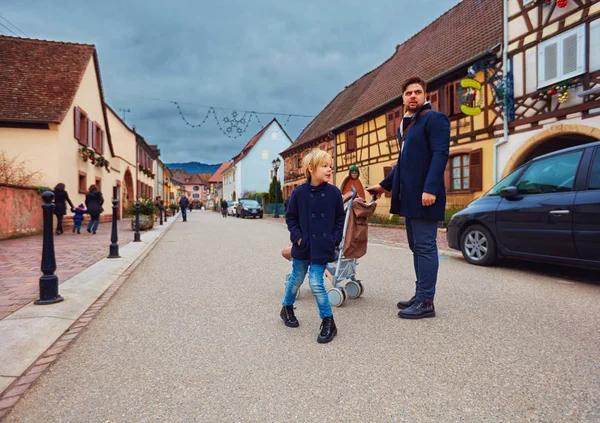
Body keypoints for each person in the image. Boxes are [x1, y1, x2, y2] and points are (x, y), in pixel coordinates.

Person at [366, 76, 450, 319]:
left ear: (425, 96)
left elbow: (440, 154)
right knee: (416, 247)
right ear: (402, 98)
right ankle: (420, 293)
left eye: (417, 92)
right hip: (411, 198)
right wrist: (383, 186)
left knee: (425, 247)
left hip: (426, 196)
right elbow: (402, 165)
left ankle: (426, 302)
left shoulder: (435, 119)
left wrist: (431, 189)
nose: (413, 96)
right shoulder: (404, 126)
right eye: (408, 93)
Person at [281, 149, 345, 344]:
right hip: (303, 245)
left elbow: (340, 218)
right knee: (296, 279)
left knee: (316, 283)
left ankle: (328, 321)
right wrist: (298, 237)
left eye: (330, 166)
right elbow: (291, 218)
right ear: (311, 168)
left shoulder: (334, 193)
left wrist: (334, 238)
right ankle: (287, 308)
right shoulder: (299, 193)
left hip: (322, 246)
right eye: (325, 166)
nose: (329, 169)